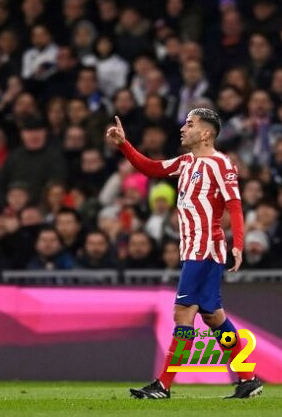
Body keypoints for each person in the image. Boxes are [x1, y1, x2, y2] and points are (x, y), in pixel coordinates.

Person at [107, 108, 262, 399]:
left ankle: (163, 385)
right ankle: (248, 378)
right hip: (192, 247)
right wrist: (124, 145)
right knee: (214, 317)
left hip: (205, 248)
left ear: (205, 133)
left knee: (182, 314)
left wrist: (238, 243)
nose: (182, 128)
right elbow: (151, 168)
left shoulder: (220, 164)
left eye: (189, 124)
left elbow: (235, 205)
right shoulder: (186, 162)